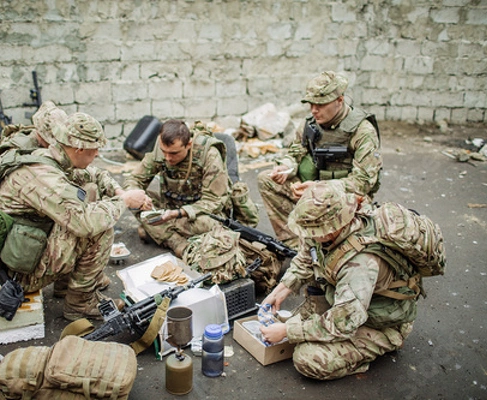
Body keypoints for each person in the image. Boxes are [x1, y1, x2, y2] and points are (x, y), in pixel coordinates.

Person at [0, 112, 148, 321]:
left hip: (23, 248)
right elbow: (84, 224)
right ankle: (80, 303)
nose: (98, 153)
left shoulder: (52, 157)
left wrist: (121, 193)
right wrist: (125, 202)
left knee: (89, 190)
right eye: (95, 149)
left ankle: (66, 285)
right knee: (99, 227)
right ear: (79, 148)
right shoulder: (42, 175)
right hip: (19, 273)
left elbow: (96, 175)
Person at [258, 181, 419, 380]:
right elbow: (308, 255)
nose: (308, 235)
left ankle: (380, 345)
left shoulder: (359, 263)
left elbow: (344, 322)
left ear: (330, 229)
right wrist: (282, 289)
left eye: (313, 231)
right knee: (303, 329)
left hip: (379, 322)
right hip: (352, 301)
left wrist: (287, 331)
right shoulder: (334, 224)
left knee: (307, 359)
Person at [257, 71, 382, 249]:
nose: (314, 110)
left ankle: (334, 248)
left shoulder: (362, 131)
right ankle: (296, 245)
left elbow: (363, 183)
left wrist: (321, 189)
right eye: (311, 104)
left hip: (344, 197)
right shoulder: (310, 124)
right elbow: (295, 153)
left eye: (321, 104)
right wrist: (286, 167)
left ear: (340, 100)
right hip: (313, 190)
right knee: (266, 180)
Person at [122, 119, 233, 257]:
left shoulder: (209, 154)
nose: (168, 158)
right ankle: (178, 243)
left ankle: (157, 231)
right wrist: (142, 199)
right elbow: (135, 179)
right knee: (131, 199)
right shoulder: (160, 149)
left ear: (189, 145)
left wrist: (178, 213)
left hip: (198, 213)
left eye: (174, 153)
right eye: (164, 152)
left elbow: (214, 201)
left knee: (209, 224)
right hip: (170, 207)